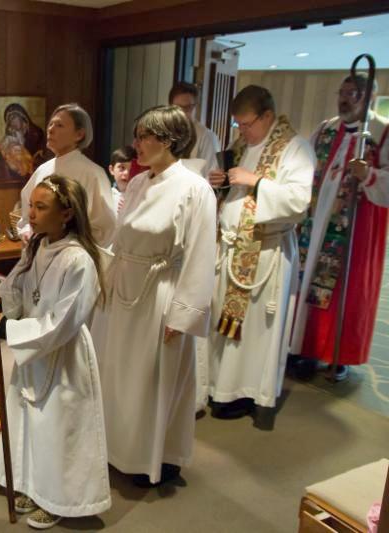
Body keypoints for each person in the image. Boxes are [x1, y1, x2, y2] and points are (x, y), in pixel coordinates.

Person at [91, 105, 216, 488]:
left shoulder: (195, 189)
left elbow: (200, 255)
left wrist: (183, 314)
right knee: (118, 373)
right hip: (125, 287)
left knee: (151, 380)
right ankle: (117, 448)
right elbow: (121, 239)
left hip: (160, 292)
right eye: (137, 136)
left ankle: (154, 457)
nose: (137, 144)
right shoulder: (138, 183)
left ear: (169, 140)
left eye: (144, 136)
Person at [0, 175, 111, 530]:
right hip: (34, 350)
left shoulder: (79, 260)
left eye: (41, 207)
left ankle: (60, 499)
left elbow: (63, 320)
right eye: (30, 206)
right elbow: (18, 288)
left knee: (59, 427)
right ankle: (33, 486)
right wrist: (0, 305)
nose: (31, 214)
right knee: (32, 422)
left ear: (66, 214)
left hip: (64, 354)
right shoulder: (37, 247)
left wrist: (9, 329)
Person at [204, 85, 314, 426]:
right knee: (224, 323)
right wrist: (222, 183)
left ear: (268, 116)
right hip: (231, 250)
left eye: (247, 124)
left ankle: (248, 393)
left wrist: (256, 181)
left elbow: (299, 201)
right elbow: (234, 195)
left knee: (255, 332)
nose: (243, 131)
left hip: (266, 253)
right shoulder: (242, 146)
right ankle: (220, 387)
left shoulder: (295, 148)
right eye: (238, 124)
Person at [290, 74, 389, 382]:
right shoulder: (326, 129)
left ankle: (337, 355)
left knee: (346, 289)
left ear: (369, 97)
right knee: (305, 280)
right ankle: (302, 348)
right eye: (342, 93)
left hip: (354, 227)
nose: (344, 99)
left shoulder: (382, 133)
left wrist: (369, 175)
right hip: (315, 218)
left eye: (353, 94)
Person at [17, 103, 116, 247]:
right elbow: (27, 212)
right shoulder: (42, 170)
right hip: (39, 250)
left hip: (74, 253)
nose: (50, 129)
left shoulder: (93, 174)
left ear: (79, 134)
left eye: (59, 125)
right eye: (50, 124)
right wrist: (27, 230)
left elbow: (105, 227)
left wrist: (70, 246)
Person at [169, 82, 221, 177]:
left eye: (188, 108)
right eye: (178, 108)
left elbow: (210, 175)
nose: (183, 113)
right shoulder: (165, 131)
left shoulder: (207, 136)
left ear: (195, 106)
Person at [0, 103, 50, 184]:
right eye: (9, 120)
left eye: (14, 117)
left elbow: (41, 157)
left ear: (23, 118)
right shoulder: (10, 137)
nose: (11, 122)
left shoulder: (36, 134)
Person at [108, 145, 136, 213]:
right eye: (122, 168)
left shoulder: (140, 197)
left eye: (132, 169)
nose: (127, 173)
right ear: (112, 170)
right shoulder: (106, 196)